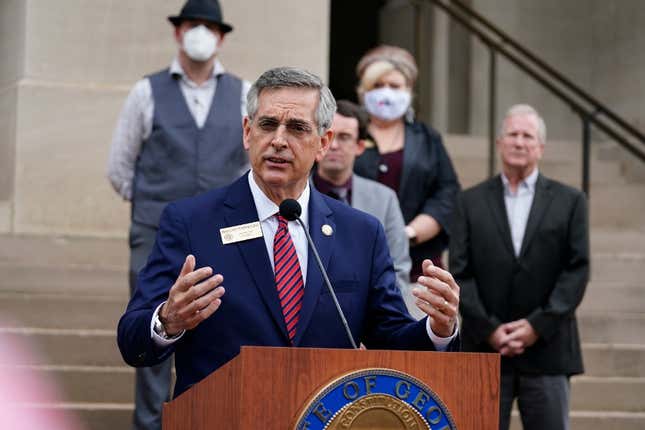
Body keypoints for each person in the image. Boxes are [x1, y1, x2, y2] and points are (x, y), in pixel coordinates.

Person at [117, 67, 461, 399]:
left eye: (297, 128)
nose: (279, 141)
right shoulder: (191, 222)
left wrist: (438, 329)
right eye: (267, 125)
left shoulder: (361, 233)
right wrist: (167, 320)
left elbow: (392, 341)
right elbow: (133, 342)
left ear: (323, 143)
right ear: (247, 132)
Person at [106, 0, 248, 428]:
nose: (200, 33)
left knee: (220, 330)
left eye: (209, 26)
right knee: (152, 329)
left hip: (224, 234)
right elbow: (119, 167)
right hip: (154, 233)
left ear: (221, 37)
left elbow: (247, 167)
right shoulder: (146, 91)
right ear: (177, 32)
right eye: (193, 25)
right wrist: (158, 207)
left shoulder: (242, 94)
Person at [450, 104, 589, 430]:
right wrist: (490, 329)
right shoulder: (469, 201)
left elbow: (577, 270)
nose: (519, 142)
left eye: (528, 136)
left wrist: (536, 326)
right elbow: (460, 270)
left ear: (540, 147)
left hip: (548, 349)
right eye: (512, 134)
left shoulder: (570, 201)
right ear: (499, 143)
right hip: (483, 350)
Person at [353, 45, 460, 280]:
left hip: (418, 267)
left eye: (394, 86)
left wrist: (407, 234)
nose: (386, 93)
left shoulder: (427, 139)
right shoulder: (348, 137)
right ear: (363, 92)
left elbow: (446, 194)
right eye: (378, 86)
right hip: (353, 260)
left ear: (408, 91)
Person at [312, 99, 411, 293]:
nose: (333, 145)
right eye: (328, 136)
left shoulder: (384, 200)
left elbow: (398, 271)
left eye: (344, 137)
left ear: (360, 147)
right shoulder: (291, 195)